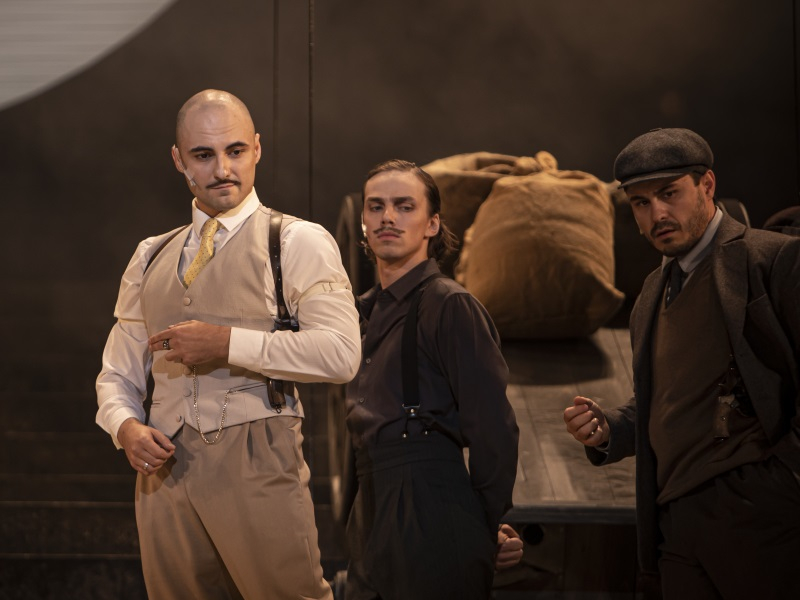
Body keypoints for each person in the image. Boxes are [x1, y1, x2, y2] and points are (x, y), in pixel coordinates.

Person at [95, 89, 361, 600]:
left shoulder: (296, 240)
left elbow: (341, 354)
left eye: (235, 151)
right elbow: (117, 372)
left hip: (258, 457)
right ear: (179, 160)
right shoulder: (150, 255)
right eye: (203, 155)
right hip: (163, 471)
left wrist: (226, 343)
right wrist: (124, 426)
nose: (222, 169)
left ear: (257, 148)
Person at [563, 128, 800, 599]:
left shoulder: (771, 258)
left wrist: (782, 483)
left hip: (761, 514)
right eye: (641, 202)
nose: (657, 214)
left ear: (707, 185)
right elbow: (665, 399)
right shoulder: (652, 292)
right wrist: (610, 429)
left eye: (669, 194)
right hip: (675, 519)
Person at [344, 159, 520, 600]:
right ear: (363, 221)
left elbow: (494, 428)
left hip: (429, 499)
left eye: (404, 206)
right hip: (371, 502)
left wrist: (483, 524)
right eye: (376, 206)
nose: (387, 217)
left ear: (432, 224)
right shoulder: (360, 313)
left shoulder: (449, 305)